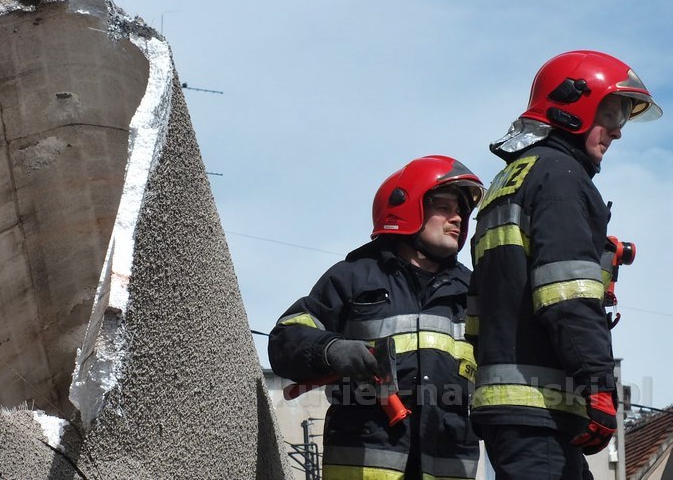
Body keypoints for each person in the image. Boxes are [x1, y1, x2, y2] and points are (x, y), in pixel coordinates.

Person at [466, 50, 663, 479]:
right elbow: (567, 294)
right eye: (610, 111)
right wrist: (598, 385)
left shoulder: (510, 180)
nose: (617, 131)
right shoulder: (560, 177)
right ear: (572, 106)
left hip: (510, 408)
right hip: (541, 404)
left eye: (623, 117)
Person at [269, 155, 484, 479]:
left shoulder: (472, 291)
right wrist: (333, 350)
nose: (458, 219)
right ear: (408, 206)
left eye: (462, 211)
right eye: (445, 207)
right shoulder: (354, 278)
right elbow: (286, 337)